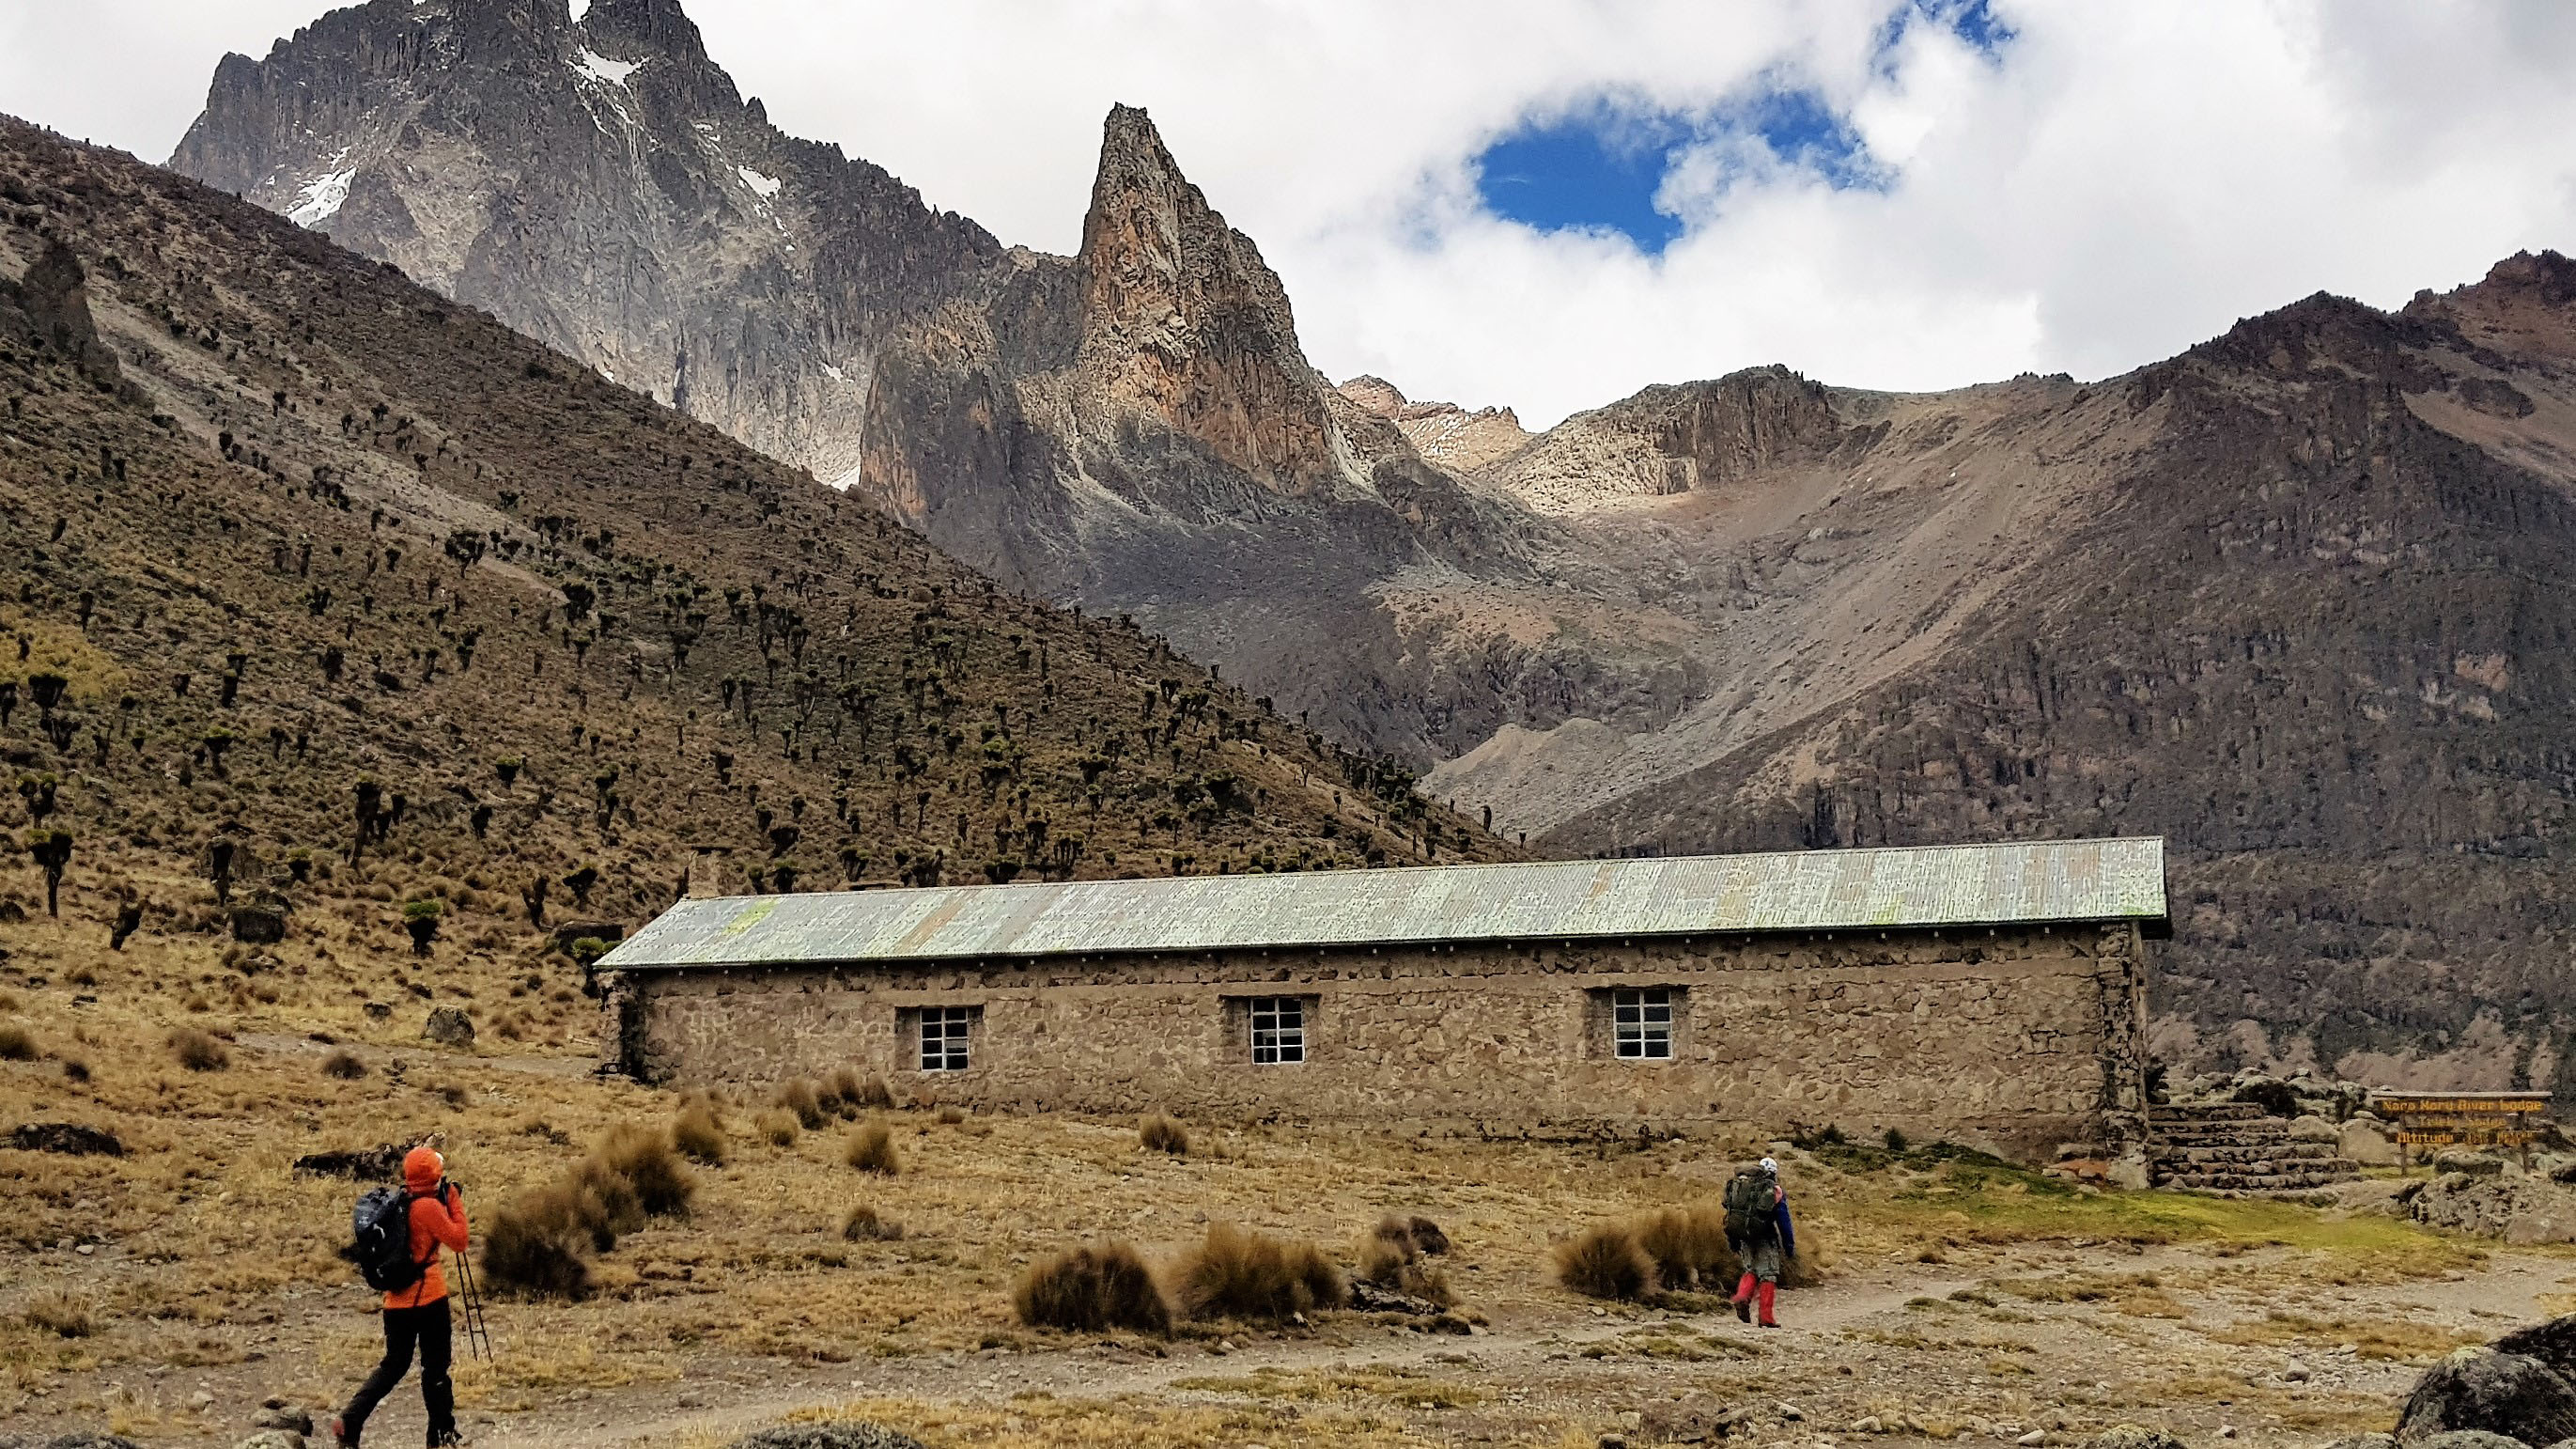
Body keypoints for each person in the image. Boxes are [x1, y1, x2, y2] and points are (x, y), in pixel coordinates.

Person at [333, 1145, 470, 1447]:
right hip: (429, 1298)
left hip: (395, 1302)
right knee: (435, 1367)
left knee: (393, 1365)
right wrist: (455, 1203)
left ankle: (350, 1420)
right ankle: (441, 1434)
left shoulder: (399, 1204)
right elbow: (459, 1240)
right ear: (433, 1174)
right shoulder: (428, 1208)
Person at [1724, 1155, 1795, 1328]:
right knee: (1768, 1275)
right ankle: (1766, 1318)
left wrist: (1733, 1241)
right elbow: (1783, 1221)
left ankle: (1741, 1297)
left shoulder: (1743, 1188)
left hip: (1744, 1236)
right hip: (1766, 1238)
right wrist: (1789, 1245)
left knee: (1750, 1270)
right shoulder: (1774, 1191)